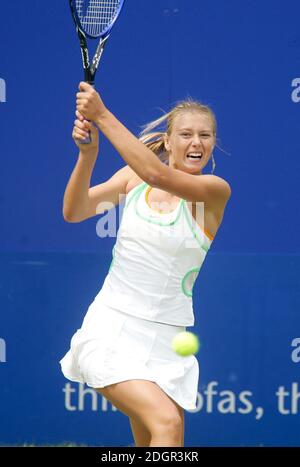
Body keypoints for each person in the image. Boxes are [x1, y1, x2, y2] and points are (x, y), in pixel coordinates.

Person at [60, 82, 231, 447]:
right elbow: (75, 211)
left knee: (167, 435)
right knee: (166, 423)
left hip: (169, 339)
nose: (196, 143)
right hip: (111, 326)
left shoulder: (214, 192)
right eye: (185, 134)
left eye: (205, 135)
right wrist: (87, 157)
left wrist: (101, 115)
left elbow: (158, 174)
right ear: (168, 141)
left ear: (214, 143)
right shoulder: (132, 179)